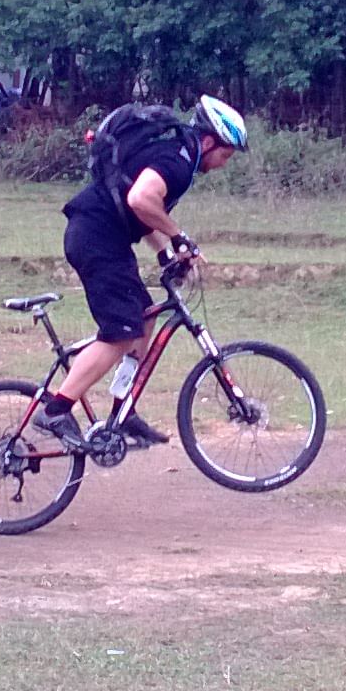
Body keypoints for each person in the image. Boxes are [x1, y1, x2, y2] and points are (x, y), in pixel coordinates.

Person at [34, 95, 246, 451]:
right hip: (96, 239)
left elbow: (140, 208)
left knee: (144, 316)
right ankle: (55, 410)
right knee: (119, 334)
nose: (224, 165)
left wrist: (165, 254)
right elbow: (140, 200)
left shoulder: (178, 154)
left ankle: (124, 409)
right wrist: (179, 237)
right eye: (225, 155)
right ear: (209, 141)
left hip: (104, 237)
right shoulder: (178, 161)